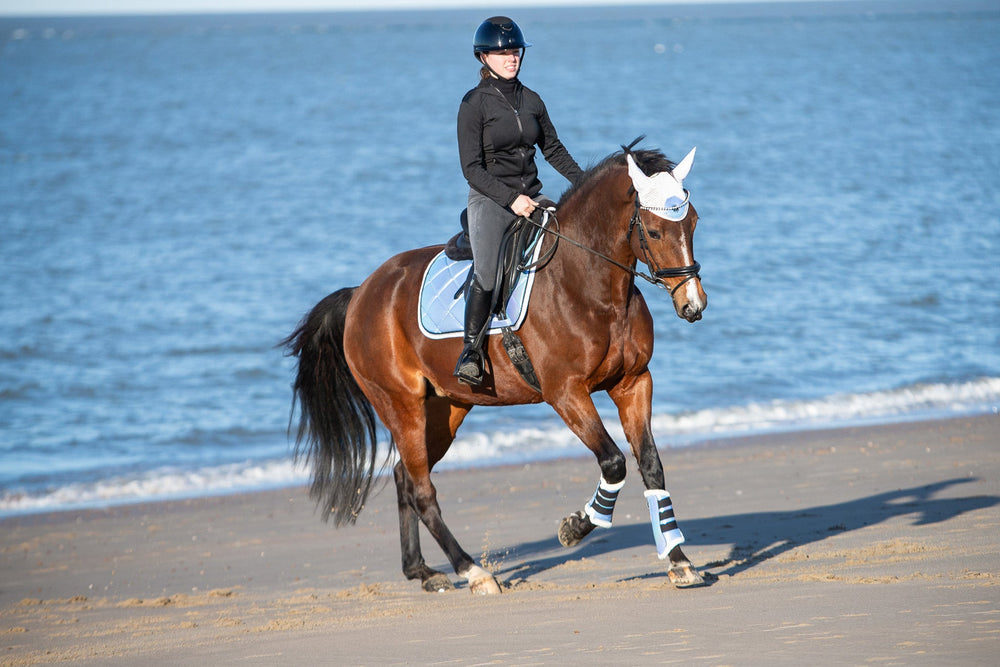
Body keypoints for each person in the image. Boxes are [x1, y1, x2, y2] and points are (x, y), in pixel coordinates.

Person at [454, 16, 584, 386]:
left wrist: (586, 184)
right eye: (501, 52)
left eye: (514, 51)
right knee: (488, 273)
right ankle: (471, 352)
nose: (510, 57)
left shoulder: (532, 100)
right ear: (484, 57)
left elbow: (554, 150)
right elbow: (471, 168)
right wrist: (512, 200)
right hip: (491, 199)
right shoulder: (473, 104)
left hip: (532, 195)